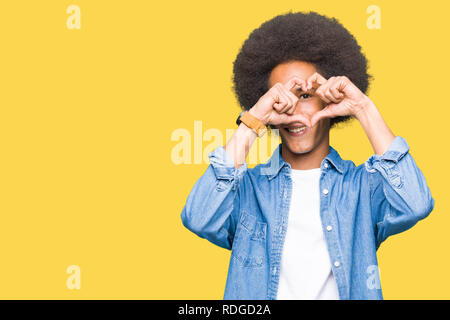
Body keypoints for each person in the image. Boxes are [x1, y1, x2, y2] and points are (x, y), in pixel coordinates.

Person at [180, 11, 435, 300]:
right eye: (280, 97)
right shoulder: (249, 190)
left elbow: (416, 203)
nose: (292, 110)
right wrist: (254, 119)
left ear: (329, 97)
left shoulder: (362, 188)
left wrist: (363, 108)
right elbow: (198, 218)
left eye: (304, 96)